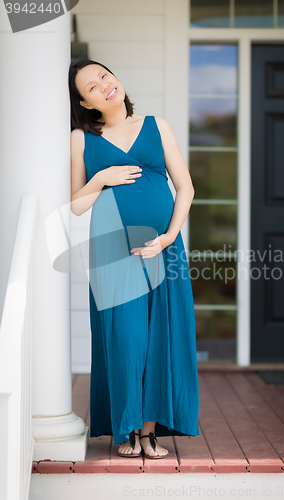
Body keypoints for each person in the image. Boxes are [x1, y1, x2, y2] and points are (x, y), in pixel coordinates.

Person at [68, 59, 199, 459]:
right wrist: (100, 179)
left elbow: (186, 188)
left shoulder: (157, 126)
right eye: (92, 86)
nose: (104, 85)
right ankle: (125, 427)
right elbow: (75, 205)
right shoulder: (81, 138)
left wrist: (168, 238)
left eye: (105, 76)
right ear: (85, 103)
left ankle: (148, 433)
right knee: (126, 339)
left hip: (163, 248)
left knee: (161, 337)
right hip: (112, 254)